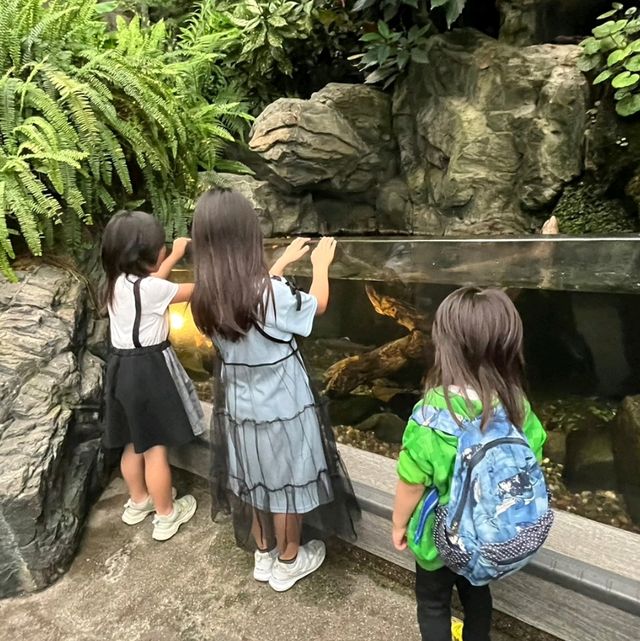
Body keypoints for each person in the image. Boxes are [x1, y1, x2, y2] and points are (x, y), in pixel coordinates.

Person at [190, 189, 358, 592]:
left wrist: (282, 262)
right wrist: (320, 265)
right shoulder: (271, 295)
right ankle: (289, 559)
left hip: (241, 405)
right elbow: (315, 305)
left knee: (253, 476)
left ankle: (263, 553)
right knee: (287, 481)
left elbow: (250, 297)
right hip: (284, 403)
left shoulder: (206, 296)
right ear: (248, 236)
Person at [392, 287, 548, 641]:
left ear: (444, 345)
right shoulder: (517, 405)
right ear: (508, 346)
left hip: (437, 540)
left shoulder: (432, 413)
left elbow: (411, 481)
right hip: (488, 538)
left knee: (433, 602)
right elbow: (531, 460)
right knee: (477, 593)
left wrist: (398, 524)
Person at [101, 210, 205, 541]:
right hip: (149, 370)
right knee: (155, 448)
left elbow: (153, 282)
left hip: (120, 369)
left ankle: (138, 501)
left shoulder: (118, 283)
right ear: (144, 254)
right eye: (161, 246)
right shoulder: (151, 290)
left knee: (133, 441)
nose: (163, 249)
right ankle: (166, 515)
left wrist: (175, 254)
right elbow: (197, 289)